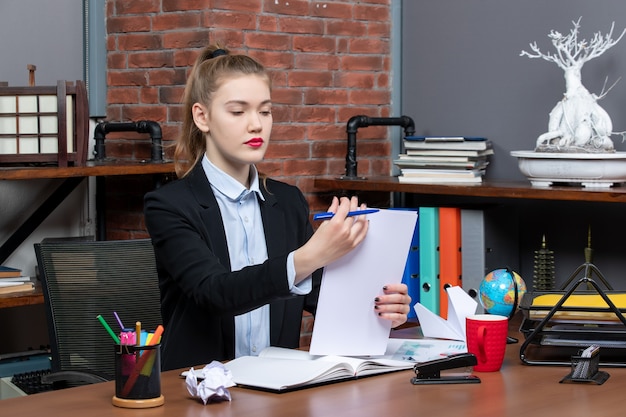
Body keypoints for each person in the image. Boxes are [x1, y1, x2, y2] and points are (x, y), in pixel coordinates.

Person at [144, 45, 411, 371]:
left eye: (265, 111)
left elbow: (319, 300)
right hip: (198, 389)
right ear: (202, 117)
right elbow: (213, 293)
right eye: (238, 112)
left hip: (277, 388)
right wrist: (312, 255)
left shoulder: (287, 201)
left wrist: (380, 310)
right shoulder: (169, 205)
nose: (256, 125)